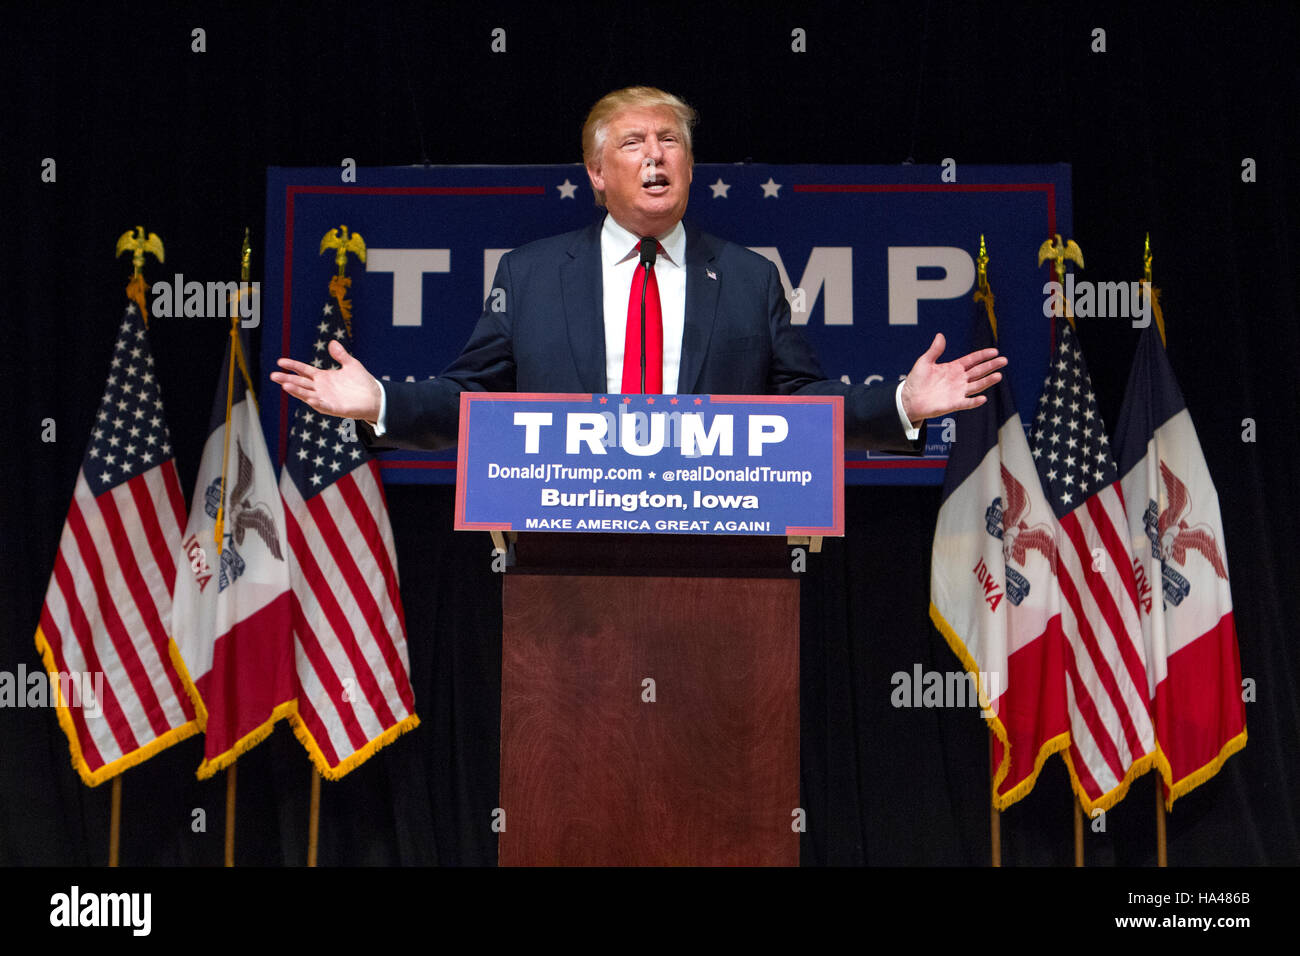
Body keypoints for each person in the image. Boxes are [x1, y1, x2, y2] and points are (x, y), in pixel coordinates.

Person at [271, 86, 1005, 450]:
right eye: (632, 144)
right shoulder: (530, 276)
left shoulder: (748, 278)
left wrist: (902, 403)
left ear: (690, 164)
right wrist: (381, 404)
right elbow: (473, 404)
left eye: (669, 141)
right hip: (565, 558)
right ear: (595, 172)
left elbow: (803, 409)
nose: (655, 156)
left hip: (720, 555)